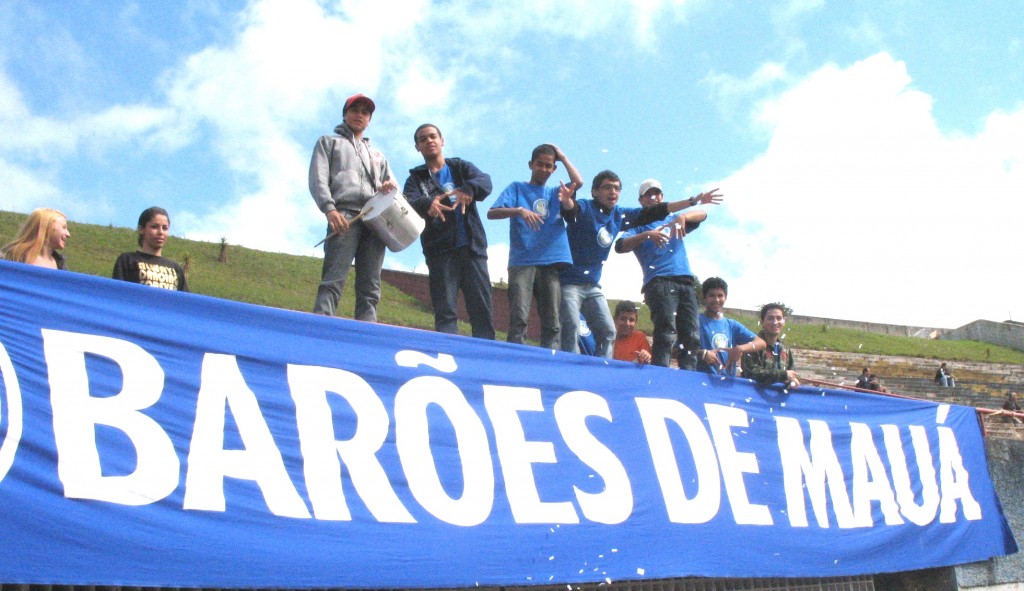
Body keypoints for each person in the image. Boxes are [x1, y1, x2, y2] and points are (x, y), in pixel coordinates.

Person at [561, 170, 718, 358]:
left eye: (617, 188)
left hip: (594, 284)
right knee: (570, 326)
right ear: (595, 191)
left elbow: (694, 213)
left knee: (609, 332)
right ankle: (568, 364)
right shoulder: (614, 216)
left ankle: (601, 369)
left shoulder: (633, 216)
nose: (613, 192)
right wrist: (647, 235)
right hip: (571, 281)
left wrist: (689, 206)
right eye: (607, 187)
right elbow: (617, 243)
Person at [614, 178, 722, 369]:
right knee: (666, 330)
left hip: (685, 281)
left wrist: (683, 218)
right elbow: (620, 246)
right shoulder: (638, 224)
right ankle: (660, 372)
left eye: (657, 193)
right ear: (641, 200)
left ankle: (689, 374)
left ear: (662, 197)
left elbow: (702, 214)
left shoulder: (671, 218)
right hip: (659, 280)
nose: (653, 197)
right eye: (648, 194)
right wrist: (648, 235)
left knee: (691, 333)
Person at [308, 93, 397, 321]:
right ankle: (320, 328)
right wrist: (330, 209)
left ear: (369, 120)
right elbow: (318, 179)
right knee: (332, 281)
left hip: (375, 221)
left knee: (371, 288)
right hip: (344, 216)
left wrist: (388, 186)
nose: (359, 115)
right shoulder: (329, 142)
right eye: (355, 110)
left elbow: (395, 190)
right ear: (345, 114)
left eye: (365, 112)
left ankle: (367, 337)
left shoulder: (378, 155)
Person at [404, 124, 495, 339]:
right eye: (423, 139)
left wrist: (467, 189)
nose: (429, 141)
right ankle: (448, 357)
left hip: (472, 250)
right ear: (417, 146)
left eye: (433, 136)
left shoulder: (460, 167)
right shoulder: (415, 179)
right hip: (440, 254)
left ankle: (487, 362)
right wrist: (428, 203)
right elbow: (408, 200)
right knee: (445, 312)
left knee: (482, 311)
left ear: (442, 140)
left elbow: (485, 182)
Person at [488, 144, 581, 348]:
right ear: (531, 165)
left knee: (553, 322)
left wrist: (563, 157)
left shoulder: (556, 192)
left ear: (554, 169)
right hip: (522, 261)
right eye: (540, 164)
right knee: (519, 317)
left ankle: (550, 363)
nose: (544, 169)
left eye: (549, 166)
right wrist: (519, 210)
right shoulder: (517, 188)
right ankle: (515, 359)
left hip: (550, 262)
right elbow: (492, 213)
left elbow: (578, 182)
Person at [697, 277, 765, 375]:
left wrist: (740, 349)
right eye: (711, 295)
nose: (716, 300)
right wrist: (702, 354)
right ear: (704, 297)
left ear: (726, 297)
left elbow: (761, 343)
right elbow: (677, 350)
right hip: (700, 382)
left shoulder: (732, 325)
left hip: (727, 383)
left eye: (720, 295)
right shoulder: (695, 321)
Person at [112, 206, 189, 291]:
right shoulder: (127, 260)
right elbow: (117, 294)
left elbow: (184, 301)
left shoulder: (176, 268)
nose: (161, 232)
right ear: (141, 229)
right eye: (154, 227)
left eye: (165, 228)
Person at [741, 303, 800, 388]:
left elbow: (793, 373)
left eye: (779, 318)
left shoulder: (785, 349)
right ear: (762, 322)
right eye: (770, 318)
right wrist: (783, 375)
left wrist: (794, 380)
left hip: (778, 399)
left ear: (784, 322)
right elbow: (753, 374)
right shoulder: (752, 346)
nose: (775, 322)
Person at [1, 208, 70, 270]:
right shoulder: (13, 255)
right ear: (47, 228)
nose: (68, 234)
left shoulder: (60, 265)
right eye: (64, 227)